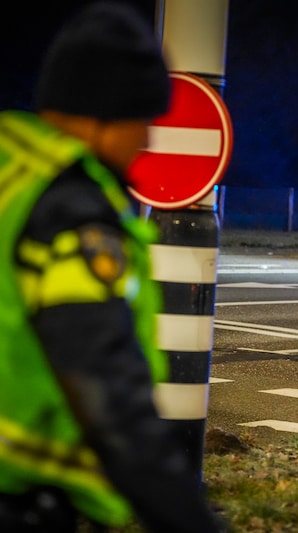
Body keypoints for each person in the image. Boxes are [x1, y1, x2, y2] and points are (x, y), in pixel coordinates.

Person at [0, 3, 224, 531]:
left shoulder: (13, 166)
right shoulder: (69, 211)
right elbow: (108, 393)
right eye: (141, 122)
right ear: (104, 117)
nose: (146, 141)